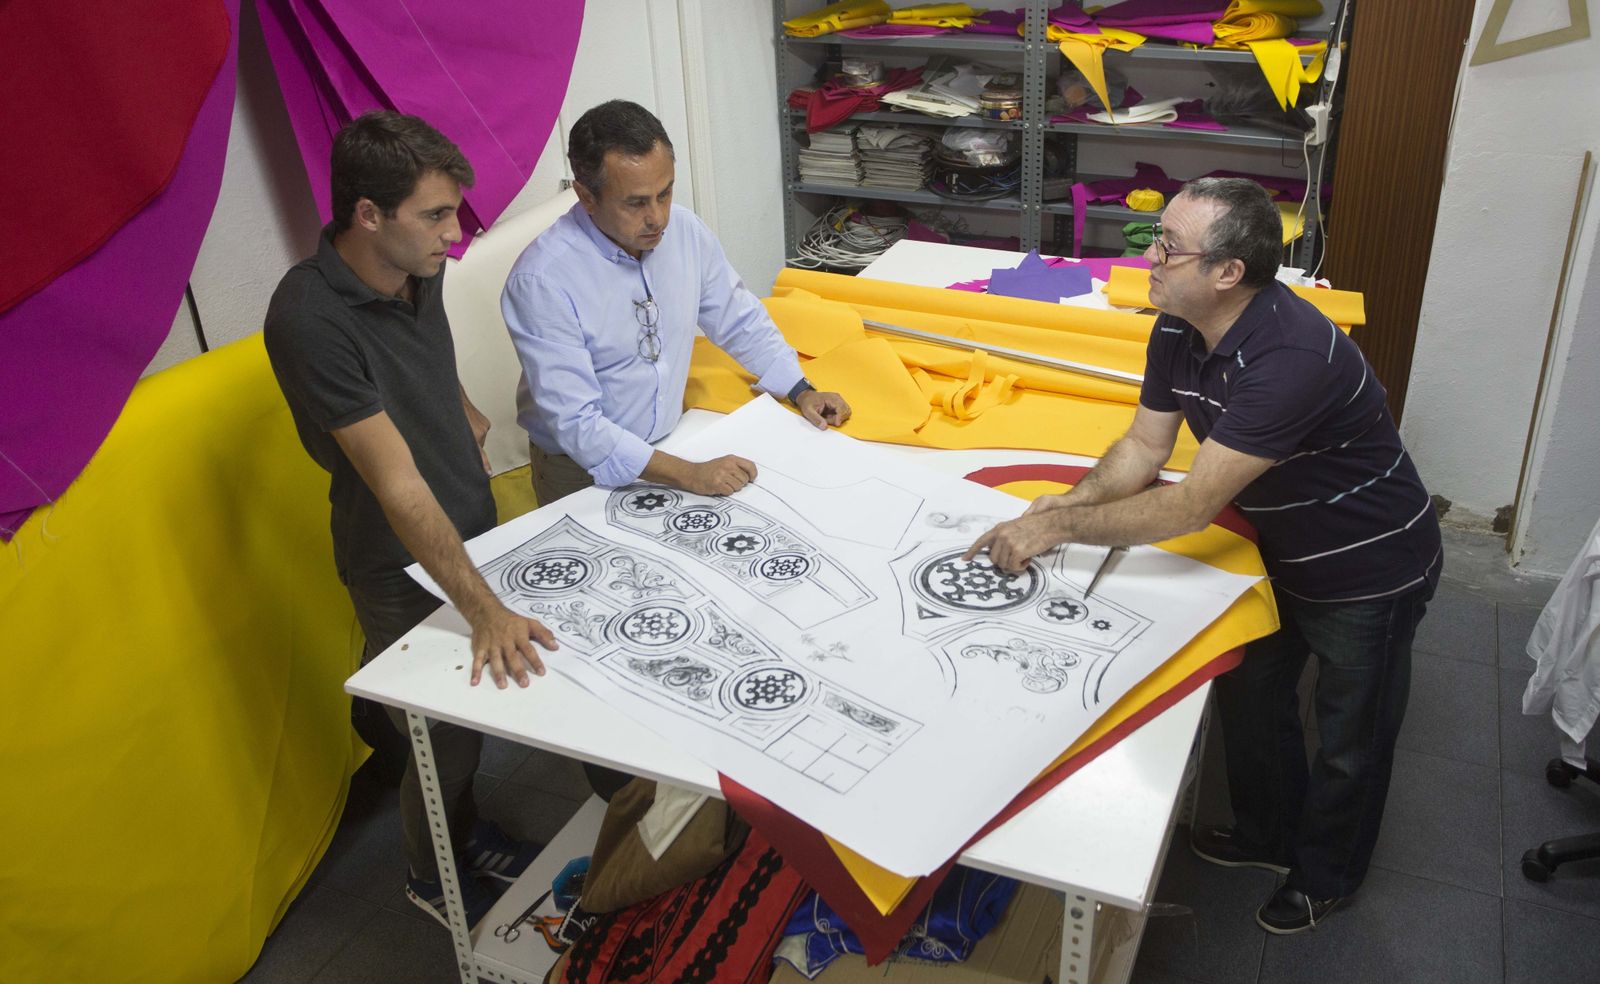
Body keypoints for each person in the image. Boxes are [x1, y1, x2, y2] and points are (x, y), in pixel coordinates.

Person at [966, 178, 1441, 934]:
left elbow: (1189, 505)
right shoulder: (1178, 326)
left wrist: (1054, 534)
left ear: (1227, 272)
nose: (1148, 257)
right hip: (1281, 547)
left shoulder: (1291, 358)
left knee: (1352, 737)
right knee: (1253, 692)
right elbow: (1144, 446)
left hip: (1366, 565)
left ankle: (1328, 876)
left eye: (1167, 246)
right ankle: (1265, 834)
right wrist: (1070, 503)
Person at [500, 99, 852, 798]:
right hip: (581, 475)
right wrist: (687, 474)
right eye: (636, 203)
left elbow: (737, 315)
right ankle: (617, 792)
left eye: (664, 193)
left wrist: (799, 388)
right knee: (607, 634)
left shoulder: (683, 234)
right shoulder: (544, 278)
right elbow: (578, 424)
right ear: (585, 194)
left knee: (688, 618)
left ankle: (690, 774)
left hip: (669, 446)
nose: (657, 216)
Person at [264, 110, 557, 929]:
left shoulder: (414, 267)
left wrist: (462, 412)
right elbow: (397, 487)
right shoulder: (309, 317)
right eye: (435, 215)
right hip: (396, 557)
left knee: (469, 725)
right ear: (368, 214)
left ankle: (462, 835)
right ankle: (432, 875)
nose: (454, 235)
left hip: (465, 521)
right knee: (442, 743)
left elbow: (423, 355)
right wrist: (484, 608)